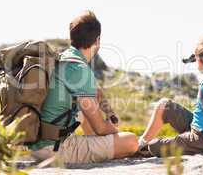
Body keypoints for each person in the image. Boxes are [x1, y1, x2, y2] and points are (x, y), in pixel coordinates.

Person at [29, 10, 138, 163]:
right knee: (131, 141)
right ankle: (97, 149)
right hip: (55, 150)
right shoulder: (80, 69)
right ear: (97, 40)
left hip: (36, 145)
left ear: (72, 37)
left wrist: (110, 112)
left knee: (84, 110)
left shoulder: (63, 58)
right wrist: (114, 131)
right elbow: (100, 128)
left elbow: (96, 92)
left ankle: (95, 145)